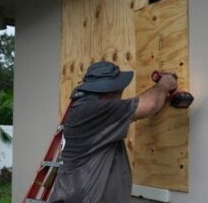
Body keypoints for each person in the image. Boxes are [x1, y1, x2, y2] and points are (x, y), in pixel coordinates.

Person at [49, 61, 177, 203]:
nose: (121, 95)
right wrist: (165, 84)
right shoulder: (94, 110)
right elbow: (150, 104)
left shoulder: (86, 110)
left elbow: (133, 111)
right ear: (108, 91)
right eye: (119, 90)